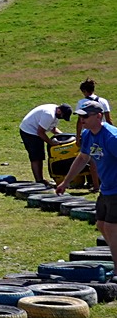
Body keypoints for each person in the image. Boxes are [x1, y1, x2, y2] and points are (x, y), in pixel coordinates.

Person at [55, 101, 117, 275]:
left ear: (99, 116)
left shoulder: (112, 137)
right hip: (106, 188)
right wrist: (65, 182)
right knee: (102, 224)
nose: (82, 120)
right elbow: (82, 158)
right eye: (80, 116)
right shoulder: (88, 135)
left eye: (85, 116)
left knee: (112, 228)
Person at [18, 102, 73, 184]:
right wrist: (51, 142)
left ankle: (40, 179)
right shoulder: (49, 114)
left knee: (40, 155)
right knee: (36, 157)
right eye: (62, 116)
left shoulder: (56, 113)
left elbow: (53, 129)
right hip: (29, 132)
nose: (62, 118)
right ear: (59, 111)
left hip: (37, 131)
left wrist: (64, 137)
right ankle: (39, 180)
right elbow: (40, 132)